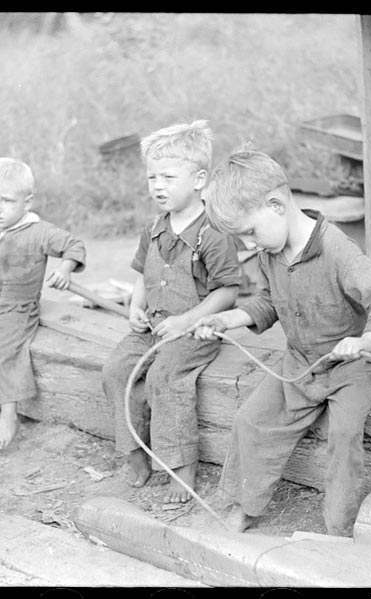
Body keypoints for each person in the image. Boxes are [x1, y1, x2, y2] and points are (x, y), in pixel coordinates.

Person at [192, 149, 371, 536]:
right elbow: (268, 302)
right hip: (299, 363)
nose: (250, 245)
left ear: (276, 204)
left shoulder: (337, 248)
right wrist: (226, 318)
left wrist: (367, 339)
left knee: (343, 436)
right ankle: (248, 505)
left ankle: (338, 527)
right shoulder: (271, 252)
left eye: (250, 233)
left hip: (350, 367)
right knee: (250, 420)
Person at [101, 120, 241, 503]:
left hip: (195, 330)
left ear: (199, 179)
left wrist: (188, 320)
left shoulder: (213, 232)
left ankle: (182, 468)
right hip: (154, 327)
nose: (157, 186)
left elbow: (228, 290)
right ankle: (135, 453)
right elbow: (143, 276)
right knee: (115, 371)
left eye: (167, 177)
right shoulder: (154, 228)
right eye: (151, 177)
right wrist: (135, 307)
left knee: (165, 376)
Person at [0, 157, 86, 451]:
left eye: (7, 201)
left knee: (1, 355)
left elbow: (74, 245)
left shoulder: (39, 232)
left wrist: (65, 268)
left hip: (17, 311)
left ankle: (9, 415)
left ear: (27, 202)